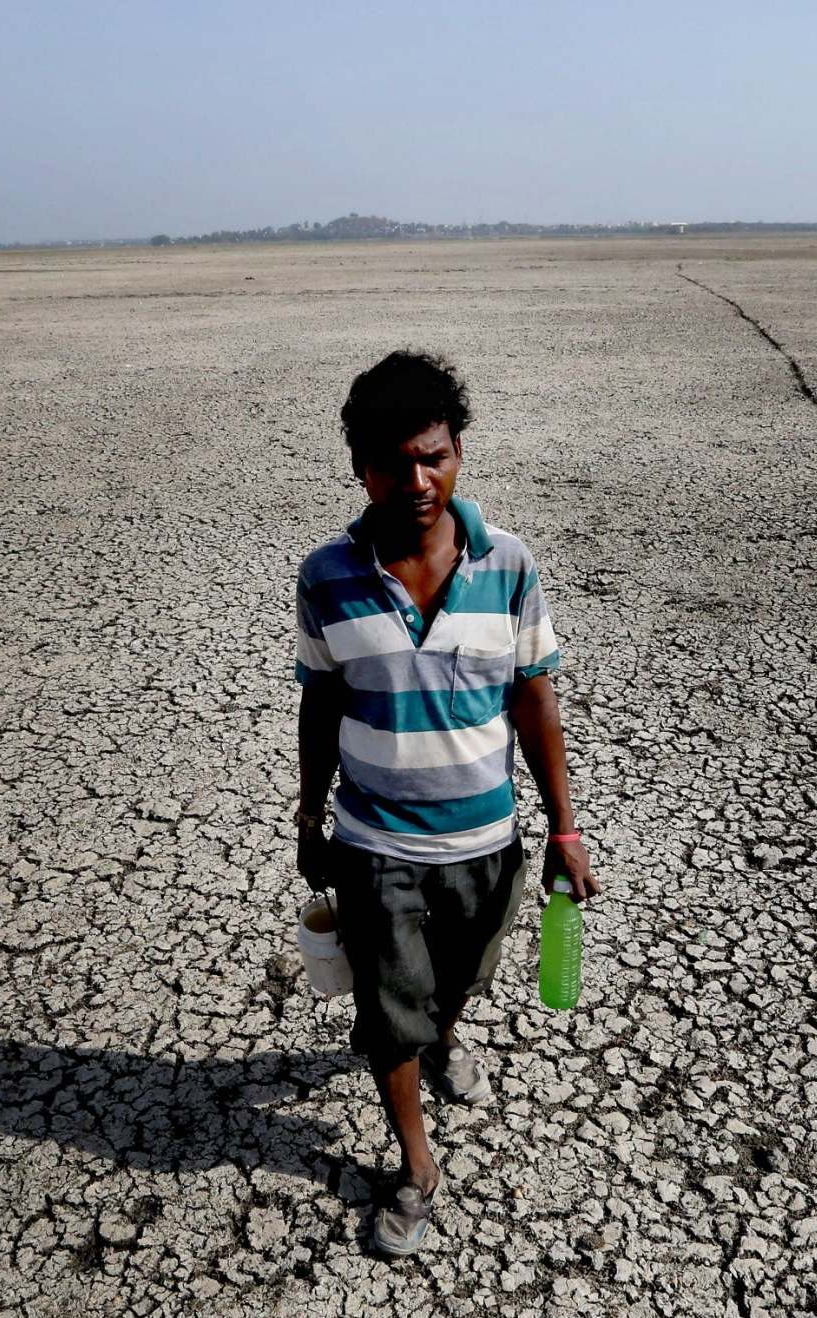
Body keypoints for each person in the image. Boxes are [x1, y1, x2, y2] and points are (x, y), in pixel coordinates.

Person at [293, 350, 602, 1257]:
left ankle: (444, 1039)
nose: (418, 480)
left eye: (435, 456)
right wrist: (311, 815)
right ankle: (416, 1167)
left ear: (459, 451)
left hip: (486, 841)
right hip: (376, 841)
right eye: (395, 463)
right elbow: (320, 701)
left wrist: (565, 826)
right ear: (363, 469)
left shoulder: (509, 564)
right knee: (389, 1009)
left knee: (458, 982)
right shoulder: (327, 576)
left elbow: (535, 694)